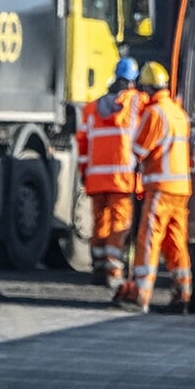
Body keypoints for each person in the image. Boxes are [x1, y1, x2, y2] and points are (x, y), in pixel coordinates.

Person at [124, 61, 193, 313]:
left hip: (160, 189)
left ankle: (140, 295)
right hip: (181, 189)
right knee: (176, 242)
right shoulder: (179, 113)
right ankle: (183, 294)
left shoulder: (155, 113)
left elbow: (138, 149)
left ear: (147, 89)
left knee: (148, 240)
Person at [77, 57, 144, 294]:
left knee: (100, 223)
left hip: (96, 178)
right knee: (120, 225)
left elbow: (82, 143)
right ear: (133, 81)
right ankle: (114, 271)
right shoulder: (137, 102)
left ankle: (98, 267)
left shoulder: (91, 108)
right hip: (122, 179)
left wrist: (84, 173)